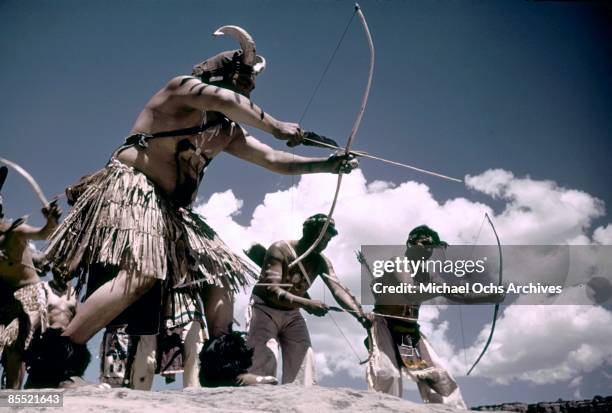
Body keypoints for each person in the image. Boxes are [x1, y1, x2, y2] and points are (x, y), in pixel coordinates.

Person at [41, 25, 357, 387]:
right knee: (143, 272)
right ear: (221, 77)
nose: (248, 91)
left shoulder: (226, 130)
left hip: (173, 212)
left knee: (216, 270)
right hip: (132, 191)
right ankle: (56, 360)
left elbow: (272, 159)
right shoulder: (180, 89)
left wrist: (326, 165)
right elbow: (228, 103)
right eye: (244, 83)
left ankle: (221, 368)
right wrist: (275, 125)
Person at [363, 225, 503, 408]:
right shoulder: (397, 262)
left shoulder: (428, 274)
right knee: (387, 375)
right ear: (411, 243)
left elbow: (457, 295)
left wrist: (489, 296)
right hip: (385, 325)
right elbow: (410, 292)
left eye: (433, 246)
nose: (429, 249)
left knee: (440, 379)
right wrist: (444, 287)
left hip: (409, 332)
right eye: (426, 243)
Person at [245, 214, 370, 386]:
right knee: (265, 358)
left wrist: (360, 315)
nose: (324, 243)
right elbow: (271, 289)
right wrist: (307, 304)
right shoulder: (280, 249)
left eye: (327, 240)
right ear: (307, 231)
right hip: (264, 309)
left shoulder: (321, 262)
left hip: (292, 313)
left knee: (304, 363)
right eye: (321, 237)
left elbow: (338, 289)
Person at [0, 166, 62, 389]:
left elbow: (43, 233)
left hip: (28, 296)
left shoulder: (14, 232)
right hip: (4, 296)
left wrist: (51, 221)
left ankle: (13, 395)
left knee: (15, 342)